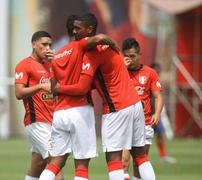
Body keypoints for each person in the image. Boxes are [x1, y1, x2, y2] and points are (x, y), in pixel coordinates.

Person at [55, 13, 156, 180]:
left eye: (78, 28)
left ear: (89, 30)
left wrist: (58, 89)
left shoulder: (92, 53)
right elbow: (101, 81)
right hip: (135, 105)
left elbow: (82, 87)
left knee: (113, 159)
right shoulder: (110, 48)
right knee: (140, 156)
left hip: (117, 108)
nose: (74, 31)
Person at [39, 14, 119, 180]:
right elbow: (98, 39)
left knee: (55, 163)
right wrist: (110, 42)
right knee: (81, 166)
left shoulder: (56, 57)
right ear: (76, 32)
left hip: (60, 113)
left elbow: (54, 89)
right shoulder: (79, 46)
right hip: (80, 110)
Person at [14, 31, 62, 180]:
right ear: (34, 45)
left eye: (50, 45)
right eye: (44, 44)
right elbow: (19, 93)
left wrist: (56, 63)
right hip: (37, 123)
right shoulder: (24, 65)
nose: (47, 48)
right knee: (56, 162)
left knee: (38, 165)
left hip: (51, 122)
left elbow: (57, 88)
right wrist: (40, 87)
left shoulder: (50, 65)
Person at [121, 38, 163, 180]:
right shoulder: (119, 73)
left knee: (139, 162)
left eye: (132, 56)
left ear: (140, 55)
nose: (130, 60)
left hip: (144, 123)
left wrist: (157, 113)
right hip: (124, 122)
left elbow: (158, 96)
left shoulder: (150, 73)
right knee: (123, 162)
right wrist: (122, 69)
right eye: (126, 56)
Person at [150, 63, 177, 164]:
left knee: (160, 134)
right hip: (146, 114)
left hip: (155, 114)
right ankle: (132, 156)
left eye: (158, 72)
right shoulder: (146, 81)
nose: (157, 74)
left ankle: (163, 155)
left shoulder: (157, 83)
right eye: (156, 72)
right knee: (138, 138)